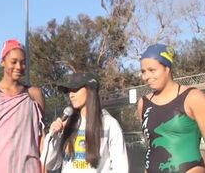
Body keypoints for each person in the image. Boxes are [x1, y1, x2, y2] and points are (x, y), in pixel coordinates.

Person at [0, 39, 45, 173]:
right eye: (13, 62)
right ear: (2, 62)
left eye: (23, 63)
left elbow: (41, 137)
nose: (19, 66)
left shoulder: (34, 95)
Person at [41, 72, 128, 173]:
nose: (71, 95)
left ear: (90, 90)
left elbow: (121, 167)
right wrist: (54, 135)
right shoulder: (67, 124)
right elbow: (50, 164)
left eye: (75, 89)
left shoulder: (110, 124)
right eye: (69, 91)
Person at [137, 43, 205, 172]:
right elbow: (151, 145)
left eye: (152, 70)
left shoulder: (193, 97)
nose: (146, 77)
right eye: (143, 71)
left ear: (167, 68)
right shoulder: (143, 103)